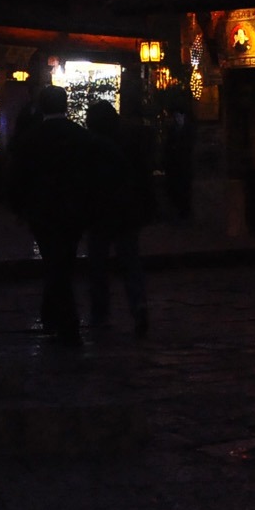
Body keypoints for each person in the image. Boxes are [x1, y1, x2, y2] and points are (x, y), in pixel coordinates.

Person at [8, 85, 104, 346]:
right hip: (74, 210)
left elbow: (18, 176)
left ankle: (62, 318)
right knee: (64, 260)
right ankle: (56, 314)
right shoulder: (81, 137)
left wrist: (19, 208)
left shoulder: (31, 138)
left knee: (54, 260)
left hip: (43, 210)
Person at [85, 101, 153, 337]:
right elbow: (143, 174)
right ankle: (138, 304)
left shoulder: (92, 144)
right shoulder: (131, 138)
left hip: (100, 211)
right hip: (127, 209)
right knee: (131, 262)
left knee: (98, 266)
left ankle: (100, 314)